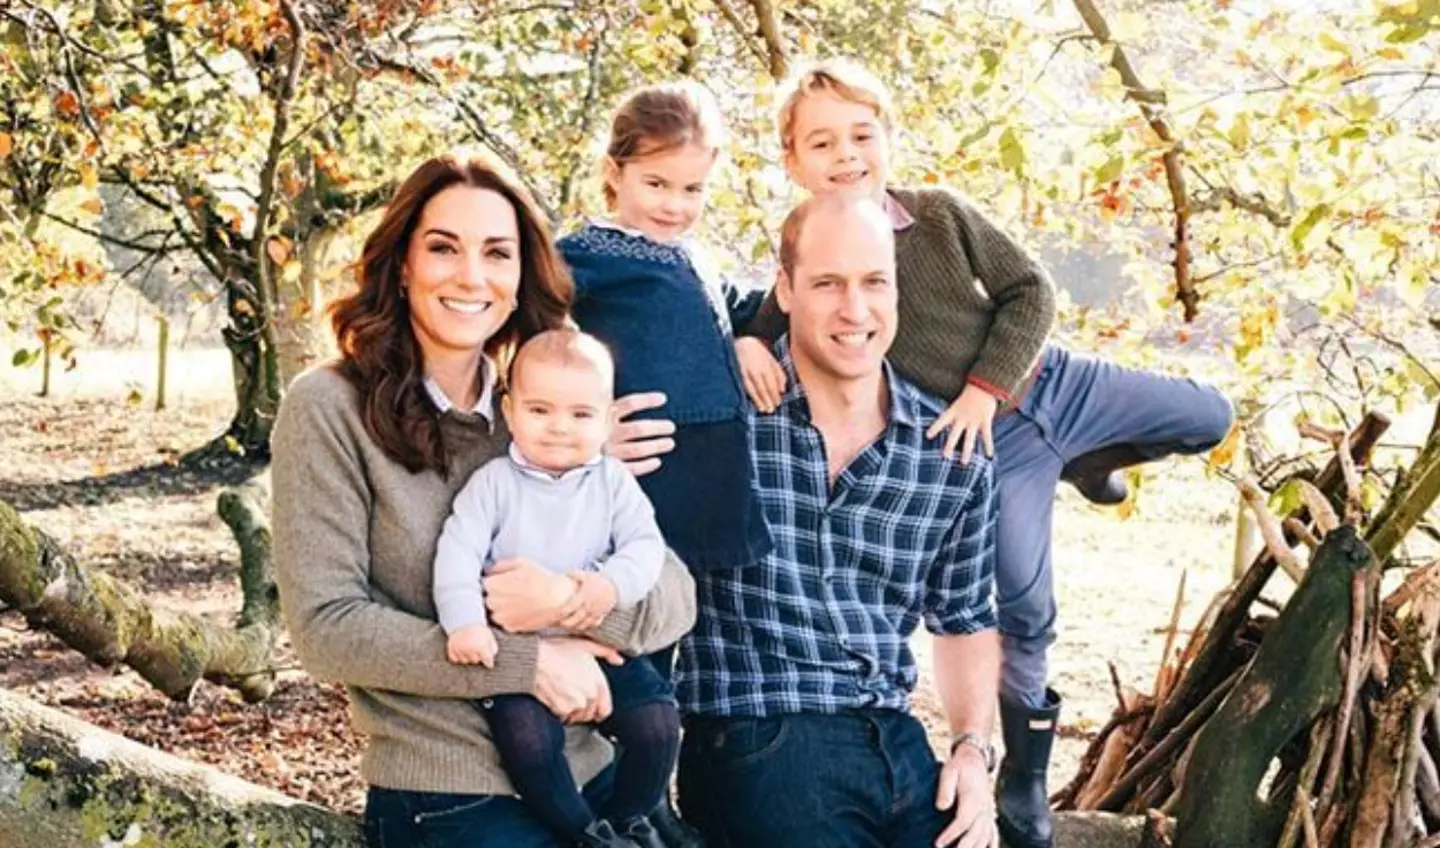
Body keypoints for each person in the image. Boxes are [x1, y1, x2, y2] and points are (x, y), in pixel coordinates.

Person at [733, 60, 1234, 848]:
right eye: (821, 143)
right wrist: (742, 344)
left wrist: (985, 385)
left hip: (1049, 385)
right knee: (1024, 605)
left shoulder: (938, 215)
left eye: (862, 134)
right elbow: (767, 317)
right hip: (991, 450)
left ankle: (1095, 458)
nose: (846, 155)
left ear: (889, 138)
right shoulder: (810, 258)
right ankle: (1025, 780)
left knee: (1210, 414)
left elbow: (1030, 290)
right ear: (792, 161)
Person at [270, 154, 697, 848]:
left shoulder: (543, 409)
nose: (472, 275)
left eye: (497, 253)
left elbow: (676, 596)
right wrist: (529, 662)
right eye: (443, 247)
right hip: (453, 796)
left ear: (522, 274)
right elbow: (328, 628)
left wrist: (568, 601)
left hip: (595, 775)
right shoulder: (328, 408)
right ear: (402, 264)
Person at [675, 193, 1003, 848]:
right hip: (760, 732)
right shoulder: (720, 421)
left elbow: (964, 618)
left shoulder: (947, 451)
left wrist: (972, 752)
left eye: (874, 282)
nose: (856, 310)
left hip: (899, 744)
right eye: (828, 284)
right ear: (786, 290)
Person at [558, 80, 769, 846]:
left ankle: (651, 793)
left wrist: (746, 337)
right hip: (645, 477)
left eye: (692, 189)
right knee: (631, 631)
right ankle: (627, 793)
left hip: (706, 478)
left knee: (675, 637)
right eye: (656, 184)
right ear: (614, 171)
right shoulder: (584, 255)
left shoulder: (697, 254)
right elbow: (530, 340)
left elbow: (740, 307)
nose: (675, 204)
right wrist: (584, 425)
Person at [432, 328, 678, 848]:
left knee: (656, 723)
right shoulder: (494, 484)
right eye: (540, 410)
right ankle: (585, 833)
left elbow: (644, 547)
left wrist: (608, 589)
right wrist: (466, 624)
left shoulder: (613, 482)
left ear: (608, 418)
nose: (559, 429)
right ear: (510, 410)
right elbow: (456, 554)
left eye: (580, 415)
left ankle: (630, 818)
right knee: (529, 744)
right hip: (519, 652)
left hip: (595, 645)